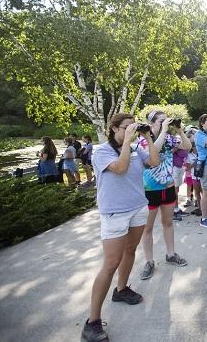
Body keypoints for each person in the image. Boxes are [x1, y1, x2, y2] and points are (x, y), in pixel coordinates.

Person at [81, 113, 160, 342]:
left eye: (133, 127)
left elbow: (154, 162)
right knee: (110, 263)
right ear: (114, 128)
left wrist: (148, 137)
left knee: (129, 251)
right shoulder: (100, 151)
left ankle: (121, 290)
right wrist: (128, 141)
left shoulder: (136, 147)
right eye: (127, 127)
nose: (131, 131)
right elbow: (120, 168)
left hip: (137, 208)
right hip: (115, 213)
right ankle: (92, 322)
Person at [139, 110, 189, 281]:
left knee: (168, 222)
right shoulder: (143, 138)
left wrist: (180, 130)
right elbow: (155, 152)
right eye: (161, 121)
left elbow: (188, 147)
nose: (165, 123)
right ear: (151, 122)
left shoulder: (169, 137)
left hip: (168, 186)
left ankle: (170, 254)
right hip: (150, 189)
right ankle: (149, 261)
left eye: (166, 120)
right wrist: (163, 131)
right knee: (148, 228)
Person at [172, 131, 192, 221]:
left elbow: (187, 149)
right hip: (174, 168)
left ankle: (176, 209)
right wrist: (177, 145)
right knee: (174, 190)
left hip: (180, 168)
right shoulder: (175, 139)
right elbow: (171, 151)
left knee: (177, 190)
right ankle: (174, 211)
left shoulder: (185, 142)